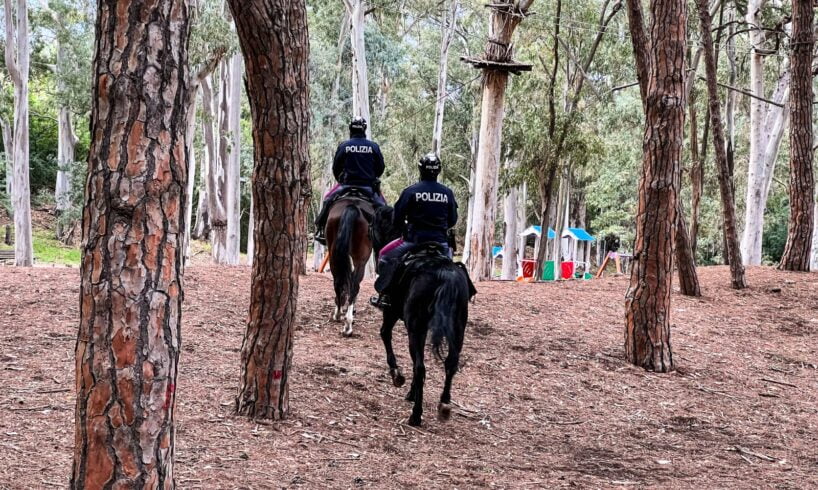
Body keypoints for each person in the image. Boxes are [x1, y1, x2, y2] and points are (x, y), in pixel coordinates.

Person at [370, 153, 458, 309]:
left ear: (420, 170)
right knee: (453, 269)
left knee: (384, 255)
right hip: (441, 244)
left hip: (413, 241)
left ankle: (385, 295)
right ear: (438, 171)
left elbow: (396, 218)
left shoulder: (411, 191)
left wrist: (405, 228)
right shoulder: (447, 193)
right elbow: (452, 220)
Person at [314, 116, 386, 244]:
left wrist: (341, 179)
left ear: (350, 129)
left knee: (327, 200)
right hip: (368, 187)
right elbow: (380, 168)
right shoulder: (373, 146)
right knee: (383, 207)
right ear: (364, 129)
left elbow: (336, 167)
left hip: (346, 185)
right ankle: (385, 236)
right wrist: (372, 178)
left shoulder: (344, 146)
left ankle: (320, 230)